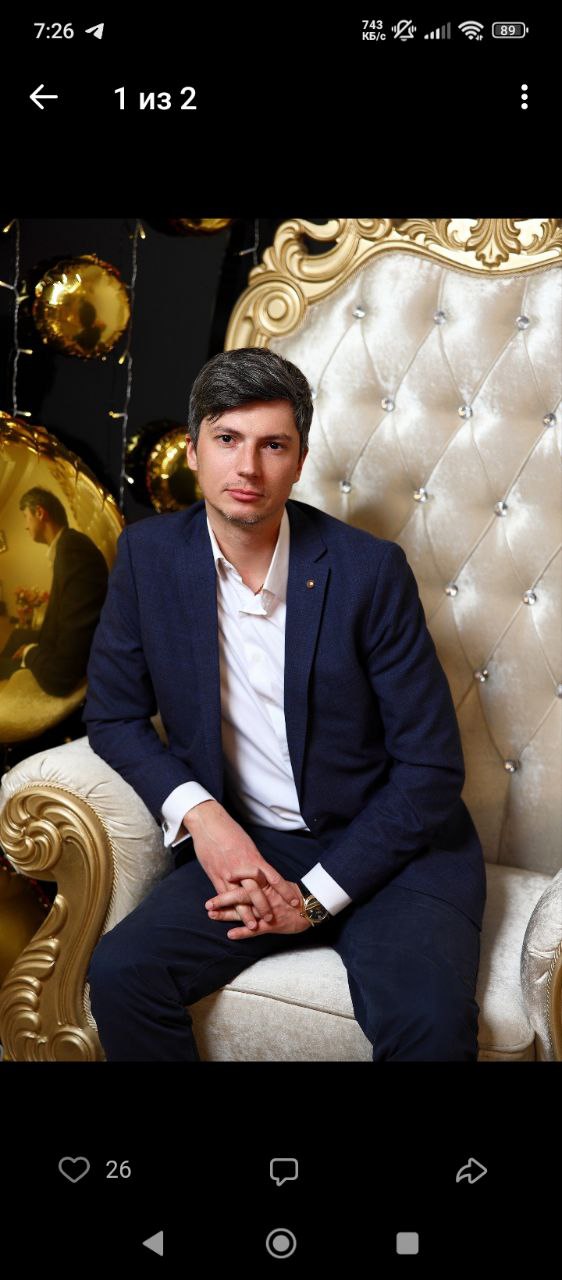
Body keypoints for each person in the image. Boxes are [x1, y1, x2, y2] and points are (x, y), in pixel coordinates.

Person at [85, 347, 487, 1062]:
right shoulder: (148, 558)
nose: (248, 467)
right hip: (254, 844)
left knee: (427, 1019)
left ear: (299, 460)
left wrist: (312, 899)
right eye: (227, 439)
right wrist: (204, 819)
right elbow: (113, 717)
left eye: (273, 445)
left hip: (397, 849)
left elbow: (429, 770)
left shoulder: (368, 572)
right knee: (123, 974)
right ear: (193, 451)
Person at [0, 488, 108, 695]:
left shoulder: (72, 549)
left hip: (66, 664)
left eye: (26, 517)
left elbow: (62, 675)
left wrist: (30, 652)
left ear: (40, 513)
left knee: (5, 662)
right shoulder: (65, 547)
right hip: (57, 639)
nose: (25, 525)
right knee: (17, 634)